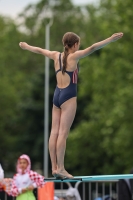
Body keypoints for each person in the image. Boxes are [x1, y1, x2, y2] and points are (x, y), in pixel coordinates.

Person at [19, 32, 123, 178]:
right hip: (68, 96)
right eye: (78, 44)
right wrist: (110, 40)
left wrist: (26, 46)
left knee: (54, 132)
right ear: (74, 45)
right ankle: (61, 168)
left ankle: (54, 167)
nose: (78, 47)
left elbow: (40, 50)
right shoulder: (74, 56)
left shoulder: (56, 55)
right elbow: (93, 48)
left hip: (57, 96)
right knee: (63, 133)